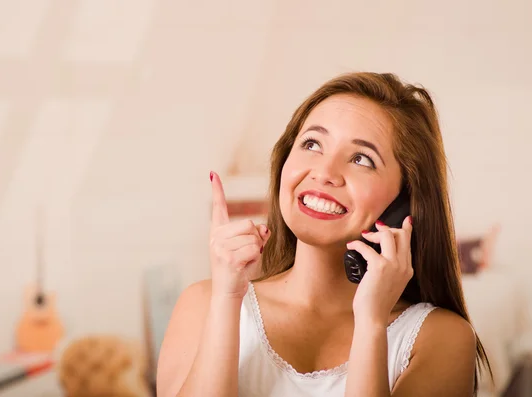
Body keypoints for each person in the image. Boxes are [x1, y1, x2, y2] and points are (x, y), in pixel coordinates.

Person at [156, 72, 492, 396]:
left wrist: (371, 324)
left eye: (361, 159)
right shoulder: (204, 305)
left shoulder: (440, 338)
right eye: (312, 144)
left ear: (405, 200)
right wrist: (228, 300)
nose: (325, 173)